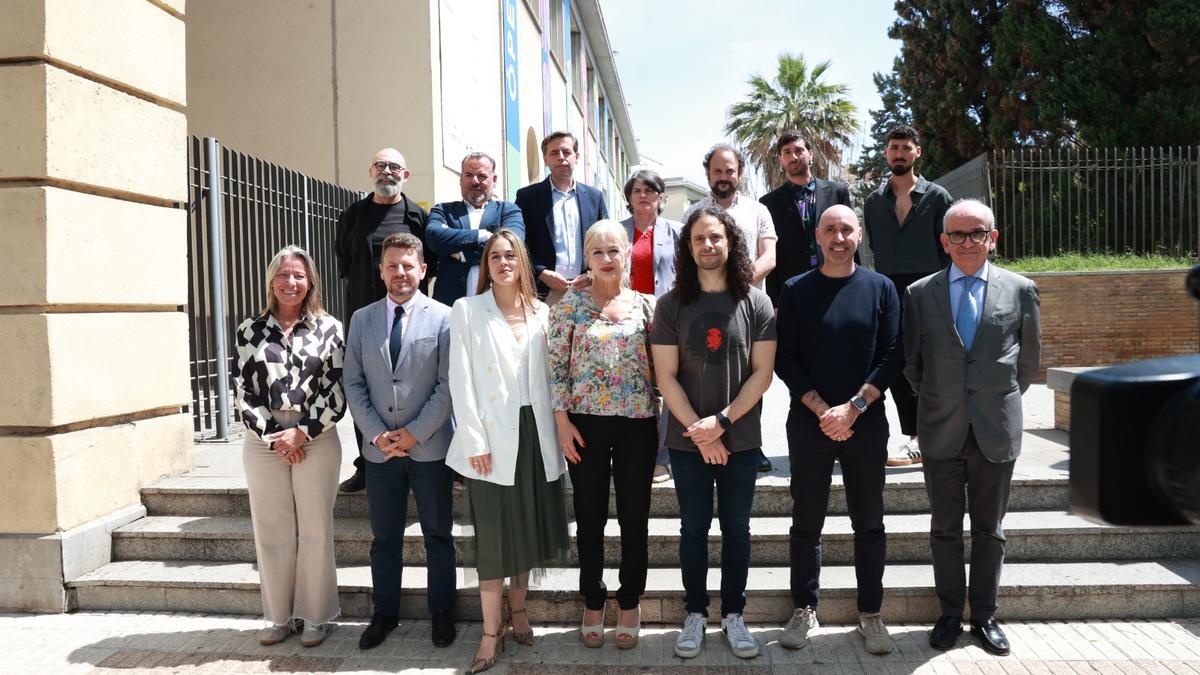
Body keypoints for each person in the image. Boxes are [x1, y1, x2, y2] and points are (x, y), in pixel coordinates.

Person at [903, 198, 1041, 656]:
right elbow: (912, 365)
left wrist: (991, 399)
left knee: (990, 529)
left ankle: (984, 616)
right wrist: (944, 398)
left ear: (992, 238)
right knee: (944, 528)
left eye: (976, 233)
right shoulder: (920, 294)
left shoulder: (1021, 290)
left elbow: (1028, 363)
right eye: (957, 235)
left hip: (995, 430)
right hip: (941, 427)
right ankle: (948, 615)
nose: (967, 242)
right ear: (943, 241)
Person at [774, 205, 901, 655]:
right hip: (809, 424)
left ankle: (871, 612)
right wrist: (824, 410)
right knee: (806, 521)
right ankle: (804, 608)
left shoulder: (881, 288)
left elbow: (892, 356)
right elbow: (784, 357)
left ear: (859, 234)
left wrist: (853, 408)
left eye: (847, 228)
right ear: (817, 236)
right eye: (830, 229)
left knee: (869, 521)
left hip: (865, 424)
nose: (839, 236)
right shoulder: (794, 290)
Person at [650, 206, 776, 660]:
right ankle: (695, 613)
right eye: (699, 238)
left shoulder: (755, 302)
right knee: (693, 529)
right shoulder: (669, 305)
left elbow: (763, 373)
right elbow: (665, 377)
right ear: (688, 246)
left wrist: (720, 424)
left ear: (731, 242)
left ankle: (735, 615)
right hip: (687, 442)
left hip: (740, 439)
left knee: (738, 529)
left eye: (716, 238)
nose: (708, 245)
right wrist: (699, 432)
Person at [445, 230, 571, 673]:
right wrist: (474, 439)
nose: (503, 263)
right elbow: (460, 381)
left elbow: (553, 378)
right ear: (486, 264)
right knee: (495, 538)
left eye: (510, 256)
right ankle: (489, 630)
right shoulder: (467, 310)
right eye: (495, 256)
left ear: (522, 263)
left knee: (528, 531)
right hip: (491, 440)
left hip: (536, 436)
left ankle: (518, 610)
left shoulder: (542, 311)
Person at [341, 233, 456, 650]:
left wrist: (413, 433)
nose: (400, 273)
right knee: (384, 538)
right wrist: (377, 433)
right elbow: (352, 382)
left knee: (437, 535)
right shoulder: (361, 319)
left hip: (429, 447)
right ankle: (384, 613)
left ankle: (442, 612)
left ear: (423, 269)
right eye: (392, 265)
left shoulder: (444, 317)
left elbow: (447, 386)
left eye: (408, 265)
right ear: (381, 270)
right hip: (379, 451)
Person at [548, 220, 658, 649]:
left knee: (634, 518)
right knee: (590, 518)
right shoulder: (570, 305)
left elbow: (662, 370)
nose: (607, 260)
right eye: (598, 252)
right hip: (584, 426)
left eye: (614, 250)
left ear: (626, 254)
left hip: (637, 425)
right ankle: (593, 600)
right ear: (587, 259)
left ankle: (629, 602)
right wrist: (562, 422)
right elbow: (555, 367)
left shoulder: (647, 306)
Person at [234, 245, 346, 648]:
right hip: (264, 440)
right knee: (272, 530)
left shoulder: (330, 328)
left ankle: (316, 616)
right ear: (271, 281)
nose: (291, 282)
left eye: (299, 275)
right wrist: (273, 435)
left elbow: (335, 388)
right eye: (283, 275)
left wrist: (302, 432)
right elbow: (242, 391)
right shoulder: (250, 330)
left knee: (315, 529)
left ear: (310, 281)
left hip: (315, 436)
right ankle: (278, 617)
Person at [334, 147, 433, 493]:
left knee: (411, 387)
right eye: (381, 165)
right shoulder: (353, 215)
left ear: (406, 175)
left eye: (395, 167)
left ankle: (413, 455)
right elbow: (344, 260)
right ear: (371, 171)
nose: (387, 171)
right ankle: (368, 462)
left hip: (410, 317)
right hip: (367, 317)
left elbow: (428, 263)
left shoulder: (418, 217)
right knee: (365, 387)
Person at [682, 143, 778, 473]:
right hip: (703, 306)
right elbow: (687, 256)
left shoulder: (758, 211)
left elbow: (769, 256)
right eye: (718, 171)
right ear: (708, 174)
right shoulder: (692, 212)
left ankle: (752, 445)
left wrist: (736, 281)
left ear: (740, 174)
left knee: (751, 374)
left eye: (730, 171)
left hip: (746, 307)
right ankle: (705, 436)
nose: (724, 177)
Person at [863, 125, 953, 468]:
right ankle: (913, 437)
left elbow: (948, 251)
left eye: (905, 147)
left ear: (918, 153)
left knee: (933, 365)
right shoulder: (873, 202)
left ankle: (938, 434)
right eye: (893, 147)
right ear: (886, 153)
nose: (899, 153)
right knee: (897, 364)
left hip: (930, 290)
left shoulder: (938, 197)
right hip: (888, 293)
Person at [619, 168, 682, 483]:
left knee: (668, 387)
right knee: (633, 387)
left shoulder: (678, 232)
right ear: (629, 198)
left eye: (650, 190)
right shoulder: (616, 231)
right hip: (625, 320)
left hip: (667, 319)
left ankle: (662, 457)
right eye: (637, 190)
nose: (643, 195)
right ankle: (632, 454)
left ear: (661, 197)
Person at [759, 130, 852, 306]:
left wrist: (854, 282)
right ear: (780, 159)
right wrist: (774, 302)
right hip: (792, 289)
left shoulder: (837, 192)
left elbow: (851, 237)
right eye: (787, 152)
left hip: (835, 283)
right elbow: (770, 253)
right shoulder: (768, 203)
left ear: (810, 154)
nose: (793, 157)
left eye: (799, 150)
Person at [516, 130, 609, 303]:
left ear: (577, 156)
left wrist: (592, 273)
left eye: (566, 152)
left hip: (588, 290)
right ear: (545, 159)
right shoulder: (527, 197)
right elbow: (520, 242)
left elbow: (605, 241)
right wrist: (540, 272)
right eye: (554, 153)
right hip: (544, 293)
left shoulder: (594, 197)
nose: (561, 157)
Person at [426, 151, 526, 306]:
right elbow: (434, 237)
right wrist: (482, 236)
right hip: (450, 306)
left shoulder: (508, 210)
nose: (474, 181)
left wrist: (462, 253)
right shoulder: (443, 210)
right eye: (468, 175)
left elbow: (513, 243)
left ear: (494, 180)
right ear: (460, 179)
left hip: (498, 304)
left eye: (481, 176)